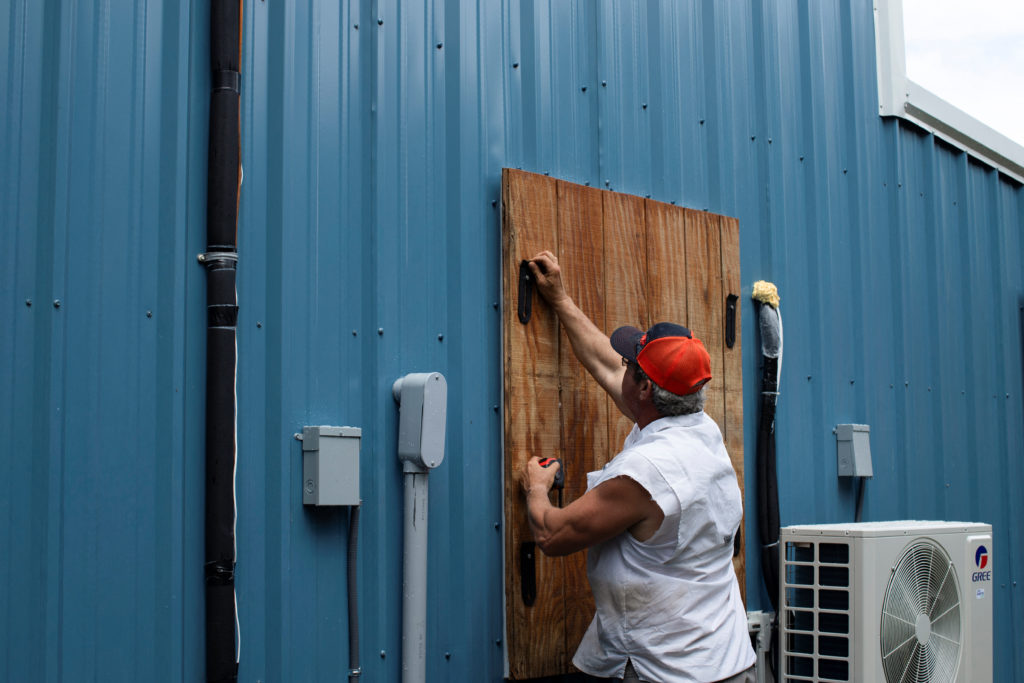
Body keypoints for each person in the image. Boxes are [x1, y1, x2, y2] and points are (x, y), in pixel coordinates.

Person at [520, 251, 756, 683]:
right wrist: (559, 299)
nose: (622, 366)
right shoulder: (698, 429)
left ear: (646, 387)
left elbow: (552, 535)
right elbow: (607, 365)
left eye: (633, 365)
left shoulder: (647, 472)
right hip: (725, 660)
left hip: (671, 671)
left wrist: (537, 486)